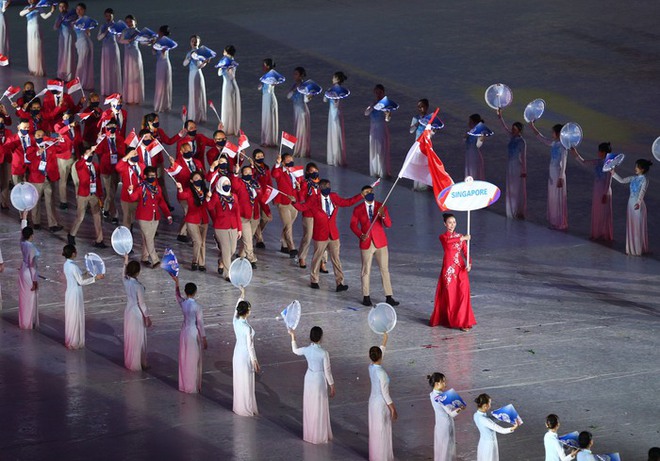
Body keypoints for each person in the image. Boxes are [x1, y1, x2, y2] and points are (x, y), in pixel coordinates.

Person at [293, 179, 362, 291]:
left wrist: (361, 196)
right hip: (320, 234)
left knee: (336, 259)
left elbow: (348, 202)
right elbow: (303, 207)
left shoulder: (333, 197)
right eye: (324, 186)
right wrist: (294, 202)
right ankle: (314, 280)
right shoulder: (314, 199)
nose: (327, 188)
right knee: (317, 257)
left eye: (328, 186)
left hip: (333, 234)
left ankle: (340, 283)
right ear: (320, 188)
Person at [350, 185, 398, 307]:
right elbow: (353, 225)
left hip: (380, 243)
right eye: (367, 192)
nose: (370, 193)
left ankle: (389, 296)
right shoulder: (358, 209)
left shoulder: (381, 206)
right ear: (363, 194)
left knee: (384, 269)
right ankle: (366, 296)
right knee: (366, 270)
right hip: (366, 243)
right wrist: (360, 234)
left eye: (371, 191)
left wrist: (383, 215)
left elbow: (389, 224)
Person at [289, 327, 335, 444]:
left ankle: (310, 433)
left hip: (309, 378)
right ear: (321, 337)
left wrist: (293, 337)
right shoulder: (324, 353)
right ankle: (319, 433)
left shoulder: (306, 350)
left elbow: (295, 350)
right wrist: (332, 385)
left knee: (310, 404)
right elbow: (327, 371)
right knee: (319, 405)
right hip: (319, 379)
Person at [429, 213, 475, 330]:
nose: (452, 224)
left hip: (460, 268)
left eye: (454, 222)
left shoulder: (460, 236)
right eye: (449, 222)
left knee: (463, 295)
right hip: (449, 270)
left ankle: (464, 322)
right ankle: (451, 319)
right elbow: (450, 242)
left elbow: (465, 252)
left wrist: (469, 263)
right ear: (445, 224)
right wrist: (463, 238)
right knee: (451, 295)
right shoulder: (443, 237)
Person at [128, 165, 173, 267]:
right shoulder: (141, 188)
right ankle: (155, 259)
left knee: (148, 238)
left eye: (154, 175)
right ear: (145, 176)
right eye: (150, 175)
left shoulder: (157, 188)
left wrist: (168, 215)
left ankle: (144, 257)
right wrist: (130, 191)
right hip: (143, 216)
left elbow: (161, 202)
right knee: (149, 238)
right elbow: (133, 198)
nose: (153, 177)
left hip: (155, 216)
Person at [569, 143, 614, 241]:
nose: (598, 153)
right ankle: (597, 233)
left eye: (600, 151)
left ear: (604, 152)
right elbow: (584, 162)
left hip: (604, 190)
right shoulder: (597, 162)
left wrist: (605, 193)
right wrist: (575, 153)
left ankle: (604, 233)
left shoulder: (610, 164)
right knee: (597, 210)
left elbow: (609, 180)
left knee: (604, 212)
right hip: (597, 189)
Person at [62, 244, 102, 349]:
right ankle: (74, 341)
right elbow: (80, 281)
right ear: (73, 253)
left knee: (71, 316)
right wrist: (95, 278)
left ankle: (71, 338)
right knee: (75, 316)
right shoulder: (73, 266)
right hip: (75, 293)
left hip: (70, 292)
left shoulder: (66, 264)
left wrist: (86, 273)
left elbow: (78, 277)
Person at [529, 122, 568, 230]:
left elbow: (564, 163)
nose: (552, 134)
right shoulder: (554, 143)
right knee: (552, 197)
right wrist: (532, 127)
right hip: (552, 172)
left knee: (557, 197)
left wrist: (561, 177)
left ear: (558, 133)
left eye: (553, 132)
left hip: (558, 173)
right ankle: (554, 221)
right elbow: (541, 138)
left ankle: (560, 222)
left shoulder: (563, 146)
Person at [231, 163, 271, 269]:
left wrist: (267, 209)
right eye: (245, 172)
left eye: (249, 172)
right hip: (243, 215)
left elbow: (261, 198)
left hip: (254, 214)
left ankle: (241, 254)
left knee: (248, 237)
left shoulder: (256, 184)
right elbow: (234, 185)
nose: (248, 174)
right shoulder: (239, 183)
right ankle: (251, 258)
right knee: (248, 238)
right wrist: (235, 173)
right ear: (242, 173)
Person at [172, 275, 207, 393]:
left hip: (184, 332)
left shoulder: (184, 303)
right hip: (193, 333)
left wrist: (177, 283)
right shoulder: (197, 306)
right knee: (193, 359)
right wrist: (204, 338)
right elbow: (200, 323)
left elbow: (177, 296)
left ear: (186, 292)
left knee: (185, 357)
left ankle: (184, 384)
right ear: (195, 292)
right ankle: (192, 385)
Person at [612, 159, 652, 256]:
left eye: (637, 167)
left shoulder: (645, 180)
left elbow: (642, 192)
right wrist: (613, 173)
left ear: (642, 169)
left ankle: (637, 249)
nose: (635, 168)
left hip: (638, 206)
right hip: (630, 204)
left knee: (637, 226)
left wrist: (638, 202)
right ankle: (631, 249)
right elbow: (622, 180)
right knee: (632, 226)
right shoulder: (634, 178)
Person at [68, 147, 106, 248]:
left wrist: (100, 194)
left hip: (93, 193)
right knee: (80, 216)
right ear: (83, 155)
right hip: (83, 194)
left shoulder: (95, 166)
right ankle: (71, 235)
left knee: (97, 216)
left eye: (91, 154)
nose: (90, 155)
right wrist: (87, 154)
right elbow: (80, 163)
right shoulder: (79, 165)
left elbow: (97, 180)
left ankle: (99, 239)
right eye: (88, 153)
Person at [26, 130, 63, 232]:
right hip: (36, 179)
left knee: (50, 201)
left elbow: (60, 149)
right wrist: (38, 153)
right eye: (38, 135)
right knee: (36, 201)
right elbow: (29, 158)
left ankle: (53, 224)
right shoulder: (31, 148)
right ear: (34, 136)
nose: (40, 137)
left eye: (42, 135)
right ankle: (36, 222)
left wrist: (59, 139)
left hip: (48, 178)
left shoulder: (49, 146)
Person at [206, 176, 242, 280]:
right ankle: (227, 273)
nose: (227, 186)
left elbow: (237, 213)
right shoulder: (216, 196)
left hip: (233, 226)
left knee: (232, 250)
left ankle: (221, 261)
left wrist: (239, 228)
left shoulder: (234, 196)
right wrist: (208, 199)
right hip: (221, 226)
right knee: (226, 250)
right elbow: (210, 207)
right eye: (224, 185)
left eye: (228, 184)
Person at [368, 332, 396, 461]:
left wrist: (384, 340)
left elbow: (380, 355)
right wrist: (392, 409)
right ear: (380, 357)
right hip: (380, 404)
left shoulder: (371, 367)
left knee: (375, 429)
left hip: (372, 402)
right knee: (382, 430)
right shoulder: (382, 373)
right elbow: (386, 394)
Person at [122, 253, 152, 371]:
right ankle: (140, 362)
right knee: (139, 338)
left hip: (128, 311)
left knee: (131, 336)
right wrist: (147, 317)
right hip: (136, 313)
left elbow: (123, 274)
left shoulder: (126, 281)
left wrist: (125, 261)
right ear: (138, 272)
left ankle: (132, 361)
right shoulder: (138, 286)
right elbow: (142, 303)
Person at [175, 171, 209, 271]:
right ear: (191, 180)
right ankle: (195, 261)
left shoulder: (205, 191)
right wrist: (180, 189)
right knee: (197, 241)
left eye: (200, 178)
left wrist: (208, 198)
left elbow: (209, 205)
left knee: (202, 242)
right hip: (192, 219)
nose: (198, 180)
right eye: (196, 178)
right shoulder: (189, 191)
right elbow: (182, 196)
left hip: (204, 219)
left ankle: (201, 263)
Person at [296, 162, 327, 272]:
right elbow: (301, 199)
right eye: (311, 171)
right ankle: (302, 257)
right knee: (308, 236)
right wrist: (299, 189)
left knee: (322, 238)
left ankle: (322, 261)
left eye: (316, 171)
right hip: (309, 214)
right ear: (307, 172)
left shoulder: (322, 184)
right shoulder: (305, 184)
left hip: (320, 214)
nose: (314, 173)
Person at [233, 290, 259, 416]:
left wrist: (242, 295)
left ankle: (239, 406)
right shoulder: (246, 328)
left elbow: (235, 308)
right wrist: (255, 360)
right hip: (244, 356)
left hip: (237, 353)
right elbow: (250, 346)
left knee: (239, 380)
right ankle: (245, 407)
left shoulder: (235, 320)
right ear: (247, 312)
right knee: (246, 381)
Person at [497, 109, 527, 219]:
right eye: (512, 129)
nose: (512, 130)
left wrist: (524, 171)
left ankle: (516, 210)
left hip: (517, 167)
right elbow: (504, 128)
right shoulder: (511, 137)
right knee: (510, 187)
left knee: (516, 188)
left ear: (519, 131)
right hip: (510, 166)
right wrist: (500, 117)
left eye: (514, 129)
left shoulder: (521, 142)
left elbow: (523, 157)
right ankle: (511, 210)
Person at [271, 152, 301, 257]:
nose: (291, 162)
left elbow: (299, 185)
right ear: (283, 162)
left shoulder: (295, 172)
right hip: (283, 202)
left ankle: (283, 244)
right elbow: (274, 174)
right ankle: (291, 247)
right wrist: (277, 163)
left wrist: (298, 187)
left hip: (294, 202)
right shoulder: (279, 171)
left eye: (291, 160)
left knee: (289, 225)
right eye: (288, 160)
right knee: (288, 225)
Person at [94, 119, 124, 224]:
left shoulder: (119, 138)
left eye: (114, 125)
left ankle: (105, 208)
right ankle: (114, 213)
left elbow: (122, 152)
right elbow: (98, 151)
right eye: (109, 125)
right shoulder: (103, 138)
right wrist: (98, 141)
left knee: (113, 191)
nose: (112, 127)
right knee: (110, 192)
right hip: (106, 168)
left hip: (116, 168)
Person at [428, 372, 464, 461]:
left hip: (439, 424)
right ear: (437, 383)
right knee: (447, 449)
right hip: (446, 425)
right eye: (443, 382)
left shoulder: (432, 394)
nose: (445, 384)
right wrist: (461, 408)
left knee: (440, 447)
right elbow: (451, 413)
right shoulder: (441, 397)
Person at [473, 394, 518, 461]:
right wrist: (513, 427)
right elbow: (501, 430)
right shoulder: (484, 419)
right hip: (489, 445)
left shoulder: (476, 415)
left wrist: (503, 414)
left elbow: (491, 420)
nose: (490, 406)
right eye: (490, 404)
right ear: (485, 406)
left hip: (483, 442)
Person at [54, 110, 83, 209]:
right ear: (62, 117)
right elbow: (59, 131)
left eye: (69, 117)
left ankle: (79, 200)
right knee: (63, 179)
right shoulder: (58, 125)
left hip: (75, 155)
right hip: (64, 156)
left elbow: (79, 139)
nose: (67, 119)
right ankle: (63, 201)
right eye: (65, 117)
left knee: (78, 180)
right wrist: (69, 126)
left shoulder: (77, 126)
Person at [20, 0, 54, 76]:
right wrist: (30, 9)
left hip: (36, 29)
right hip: (29, 30)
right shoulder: (26, 8)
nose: (30, 0)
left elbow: (44, 17)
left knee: (36, 47)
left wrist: (51, 11)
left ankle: (38, 69)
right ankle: (32, 69)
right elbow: (21, 14)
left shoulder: (39, 8)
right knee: (31, 47)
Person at [364, 84, 391, 178]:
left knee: (381, 149)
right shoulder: (372, 103)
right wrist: (372, 106)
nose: (378, 94)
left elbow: (388, 119)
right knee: (373, 149)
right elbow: (366, 113)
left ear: (383, 93)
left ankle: (382, 171)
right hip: (373, 129)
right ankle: (375, 170)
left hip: (381, 128)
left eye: (380, 92)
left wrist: (387, 115)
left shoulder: (386, 104)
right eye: (376, 92)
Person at [19, 215, 40, 330]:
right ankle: (28, 322)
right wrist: (35, 280)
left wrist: (24, 218)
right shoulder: (31, 248)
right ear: (32, 235)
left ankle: (23, 320)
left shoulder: (22, 243)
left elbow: (21, 232)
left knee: (23, 296)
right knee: (29, 298)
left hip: (22, 270)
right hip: (29, 273)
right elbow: (33, 266)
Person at [118, 15, 144, 104]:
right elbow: (120, 40)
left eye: (130, 21)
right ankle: (129, 98)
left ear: (134, 21)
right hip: (128, 55)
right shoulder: (125, 31)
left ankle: (136, 98)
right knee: (128, 74)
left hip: (135, 54)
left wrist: (150, 41)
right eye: (127, 22)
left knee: (135, 75)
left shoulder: (138, 32)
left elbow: (143, 42)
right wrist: (128, 41)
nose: (129, 23)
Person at [183, 35, 209, 123]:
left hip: (198, 74)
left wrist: (205, 62)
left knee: (199, 94)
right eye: (192, 41)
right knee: (194, 94)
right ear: (190, 43)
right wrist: (190, 57)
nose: (194, 42)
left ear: (199, 42)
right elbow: (184, 64)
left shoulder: (200, 52)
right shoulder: (190, 53)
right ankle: (194, 115)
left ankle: (199, 115)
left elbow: (199, 66)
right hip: (192, 74)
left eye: (196, 41)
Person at [97, 8, 122, 97]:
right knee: (106, 68)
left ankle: (115, 90)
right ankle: (106, 90)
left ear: (113, 16)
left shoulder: (116, 26)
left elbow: (119, 39)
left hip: (113, 48)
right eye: (106, 16)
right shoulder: (103, 26)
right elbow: (99, 38)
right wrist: (107, 30)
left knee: (113, 68)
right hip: (105, 49)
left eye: (110, 16)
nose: (108, 17)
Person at [287, 66, 311, 158]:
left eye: (296, 74)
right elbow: (288, 96)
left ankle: (302, 150)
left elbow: (305, 100)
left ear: (301, 76)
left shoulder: (304, 86)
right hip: (296, 111)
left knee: (301, 130)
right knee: (297, 129)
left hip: (302, 111)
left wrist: (309, 96)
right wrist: (294, 89)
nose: (294, 75)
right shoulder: (294, 85)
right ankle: (298, 148)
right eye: (294, 74)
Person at [251, 149, 273, 248]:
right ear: (254, 158)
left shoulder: (266, 169)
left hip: (264, 195)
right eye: (258, 156)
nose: (260, 158)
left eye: (261, 156)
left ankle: (257, 232)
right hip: (255, 196)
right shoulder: (252, 169)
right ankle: (259, 239)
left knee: (265, 218)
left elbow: (269, 182)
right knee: (256, 217)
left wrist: (271, 194)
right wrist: (252, 167)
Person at [326, 71, 348, 167]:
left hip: (336, 114)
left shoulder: (340, 90)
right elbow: (325, 99)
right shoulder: (330, 89)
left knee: (336, 133)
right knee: (333, 133)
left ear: (338, 79)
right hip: (331, 114)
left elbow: (336, 103)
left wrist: (334, 98)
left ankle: (337, 158)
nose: (332, 79)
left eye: (334, 78)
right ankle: (333, 157)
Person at [218, 45, 241, 136]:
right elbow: (219, 73)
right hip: (226, 85)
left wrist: (228, 70)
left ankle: (230, 127)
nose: (223, 53)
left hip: (230, 85)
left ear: (226, 52)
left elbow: (232, 77)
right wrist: (222, 67)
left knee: (230, 106)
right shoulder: (223, 61)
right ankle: (227, 126)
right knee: (226, 105)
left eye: (224, 51)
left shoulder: (232, 63)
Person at [409, 98, 431, 191]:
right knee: (417, 162)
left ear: (426, 107)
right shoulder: (415, 118)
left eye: (422, 107)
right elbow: (411, 130)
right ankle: (417, 185)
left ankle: (425, 184)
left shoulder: (430, 119)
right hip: (417, 143)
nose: (420, 109)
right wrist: (418, 123)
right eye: (419, 107)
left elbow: (432, 132)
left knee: (425, 163)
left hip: (426, 143)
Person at [73, 2, 94, 90]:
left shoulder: (86, 20)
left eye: (80, 9)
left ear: (84, 10)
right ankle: (80, 82)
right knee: (81, 61)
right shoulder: (75, 20)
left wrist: (87, 29)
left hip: (84, 42)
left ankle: (80, 82)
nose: (78, 11)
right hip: (79, 42)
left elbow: (88, 33)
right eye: (77, 9)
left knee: (83, 62)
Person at [53, 1, 76, 81]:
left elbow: (74, 26)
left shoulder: (72, 16)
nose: (61, 8)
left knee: (68, 54)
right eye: (60, 7)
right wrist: (60, 20)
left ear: (67, 7)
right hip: (62, 37)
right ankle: (61, 74)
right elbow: (55, 27)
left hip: (69, 37)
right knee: (62, 54)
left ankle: (69, 75)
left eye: (63, 6)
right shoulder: (59, 16)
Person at [153, 25, 173, 113]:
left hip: (164, 63)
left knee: (163, 83)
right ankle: (161, 103)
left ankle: (163, 104)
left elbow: (164, 54)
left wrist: (163, 50)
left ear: (161, 32)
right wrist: (153, 44)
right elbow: (154, 52)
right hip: (160, 63)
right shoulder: (158, 41)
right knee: (160, 83)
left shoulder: (166, 41)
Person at [260, 58, 279, 147]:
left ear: (267, 66)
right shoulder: (265, 75)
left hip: (269, 97)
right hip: (266, 97)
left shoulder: (272, 75)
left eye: (264, 65)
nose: (263, 67)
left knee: (268, 118)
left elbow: (274, 83)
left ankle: (268, 141)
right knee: (266, 117)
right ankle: (268, 139)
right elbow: (261, 87)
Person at [465, 114, 487, 181]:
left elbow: (478, 145)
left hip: (475, 156)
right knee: (469, 173)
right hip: (469, 155)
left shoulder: (480, 133)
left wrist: (482, 137)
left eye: (470, 122)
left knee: (475, 174)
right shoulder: (470, 132)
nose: (469, 123)